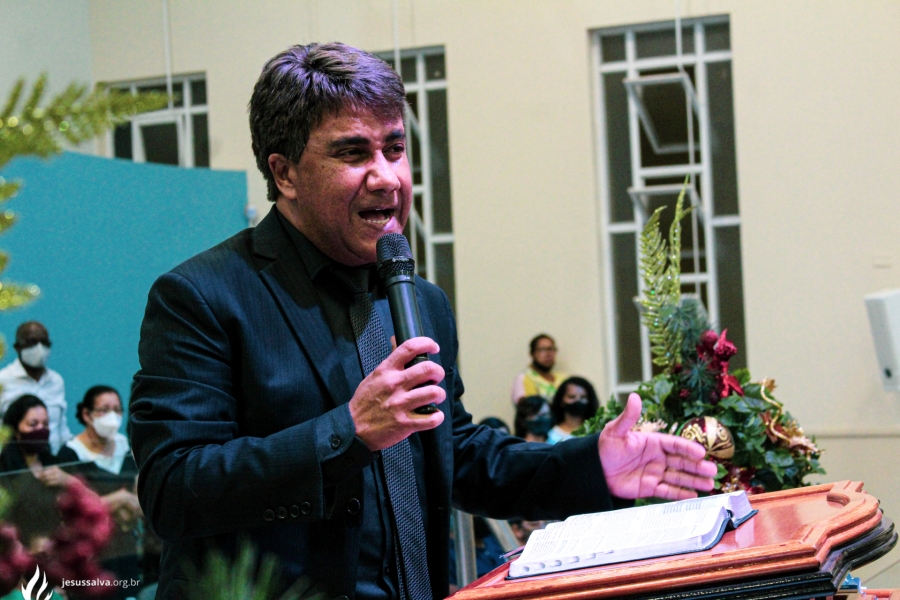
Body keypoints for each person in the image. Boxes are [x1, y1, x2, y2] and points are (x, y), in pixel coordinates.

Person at [128, 42, 716, 600]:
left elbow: (457, 454)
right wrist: (349, 431)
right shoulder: (203, 296)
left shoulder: (419, 299)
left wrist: (593, 465)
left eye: (394, 148)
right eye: (352, 153)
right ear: (285, 175)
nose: (387, 177)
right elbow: (171, 489)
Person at [66, 386, 142, 600]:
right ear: (87, 414)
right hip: (91, 555)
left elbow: (139, 494)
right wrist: (121, 498)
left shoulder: (125, 448)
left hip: (126, 550)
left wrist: (129, 503)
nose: (112, 416)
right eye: (104, 410)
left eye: (117, 410)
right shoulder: (70, 455)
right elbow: (72, 511)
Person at [0, 395, 75, 551]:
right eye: (33, 424)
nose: (41, 430)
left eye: (45, 424)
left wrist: (67, 480)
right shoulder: (5, 469)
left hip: (57, 550)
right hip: (19, 553)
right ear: (15, 430)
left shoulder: (55, 464)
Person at [0, 321, 71, 453]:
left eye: (44, 343)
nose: (39, 348)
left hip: (51, 459)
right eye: (32, 342)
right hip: (13, 461)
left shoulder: (56, 381)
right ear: (17, 347)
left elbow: (61, 427)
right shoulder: (3, 380)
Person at [510, 334, 568, 405]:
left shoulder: (563, 379)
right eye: (542, 350)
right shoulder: (524, 378)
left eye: (551, 349)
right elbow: (526, 408)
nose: (548, 354)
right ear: (532, 354)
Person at [547, 376, 600, 445]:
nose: (578, 400)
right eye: (572, 397)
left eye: (583, 397)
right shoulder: (550, 433)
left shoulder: (596, 431)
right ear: (561, 400)